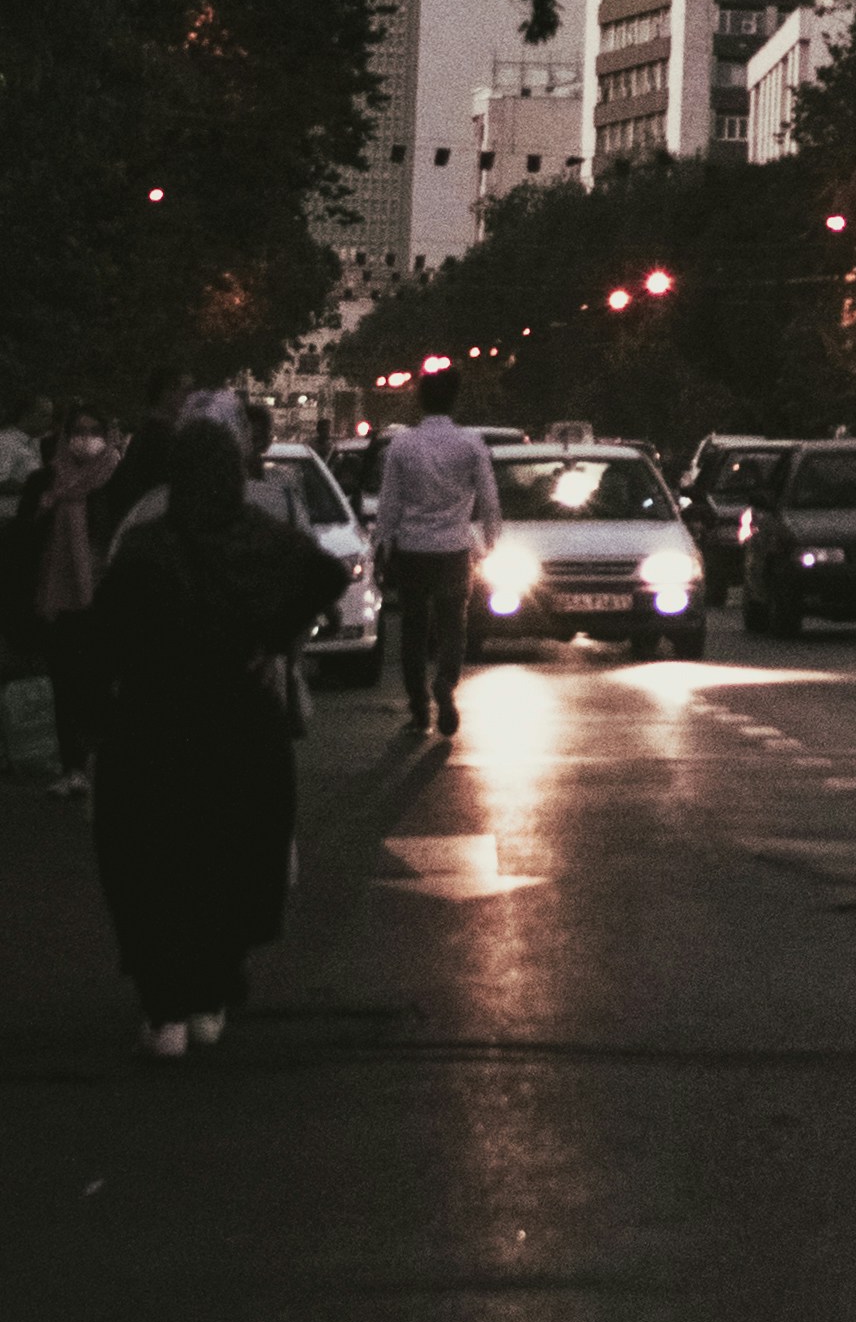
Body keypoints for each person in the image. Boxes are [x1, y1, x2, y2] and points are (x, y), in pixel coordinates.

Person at [86, 415, 342, 1056]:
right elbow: (324, 577)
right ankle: (213, 990)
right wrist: (274, 640)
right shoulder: (262, 539)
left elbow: (104, 640)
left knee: (155, 859)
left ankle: (164, 1003)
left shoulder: (146, 548)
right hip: (239, 722)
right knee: (230, 854)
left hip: (153, 724)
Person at [373, 363, 503, 739]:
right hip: (453, 549)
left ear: (420, 399)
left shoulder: (403, 444)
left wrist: (381, 543)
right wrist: (491, 541)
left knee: (413, 630)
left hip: (412, 549)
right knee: (453, 627)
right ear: (454, 400)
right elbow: (489, 500)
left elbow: (389, 503)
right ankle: (445, 682)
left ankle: (418, 708)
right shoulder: (471, 444)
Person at [20, 409, 125, 795]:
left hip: (102, 599)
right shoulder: (45, 482)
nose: (85, 439)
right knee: (65, 684)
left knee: (100, 684)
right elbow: (25, 543)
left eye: (93, 431)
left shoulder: (116, 481)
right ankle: (73, 767)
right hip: (58, 598)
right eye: (77, 431)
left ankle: (105, 763)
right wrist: (42, 510)